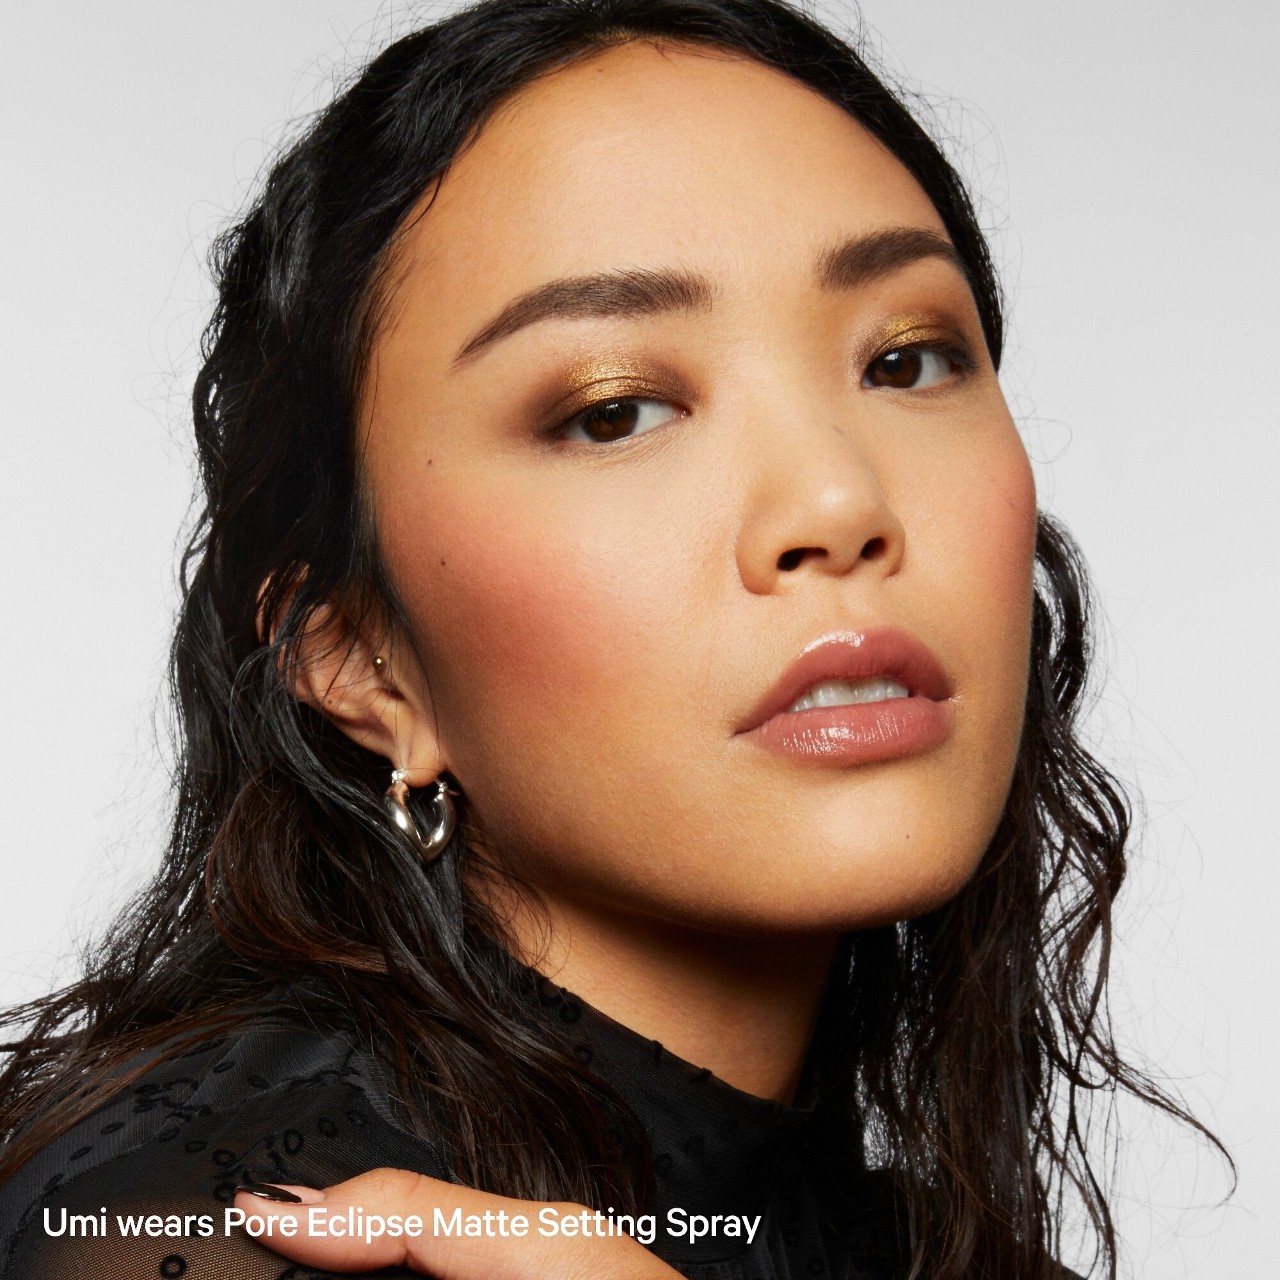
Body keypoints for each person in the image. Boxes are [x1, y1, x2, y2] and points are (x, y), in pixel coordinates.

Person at [0, 1, 1222, 1277]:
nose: (836, 503)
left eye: (906, 360)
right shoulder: (223, 1228)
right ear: (363, 660)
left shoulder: (915, 1243)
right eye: (613, 410)